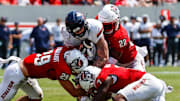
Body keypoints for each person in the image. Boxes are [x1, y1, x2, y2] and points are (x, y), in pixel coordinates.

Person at [0, 46, 88, 101]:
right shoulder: (61, 67)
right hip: (15, 74)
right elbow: (74, 92)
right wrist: (92, 92)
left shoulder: (65, 50)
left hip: (25, 71)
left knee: (36, 97)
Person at [79, 64, 172, 101]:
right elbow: (105, 95)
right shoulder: (106, 71)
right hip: (151, 86)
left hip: (148, 82)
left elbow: (102, 93)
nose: (92, 91)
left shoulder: (104, 78)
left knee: (118, 98)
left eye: (91, 89)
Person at [97, 4, 145, 71]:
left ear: (116, 21)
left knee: (139, 80)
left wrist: (98, 65)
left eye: (107, 26)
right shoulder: (100, 19)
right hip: (117, 61)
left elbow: (115, 57)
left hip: (131, 62)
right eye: (102, 25)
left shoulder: (120, 35)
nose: (104, 29)